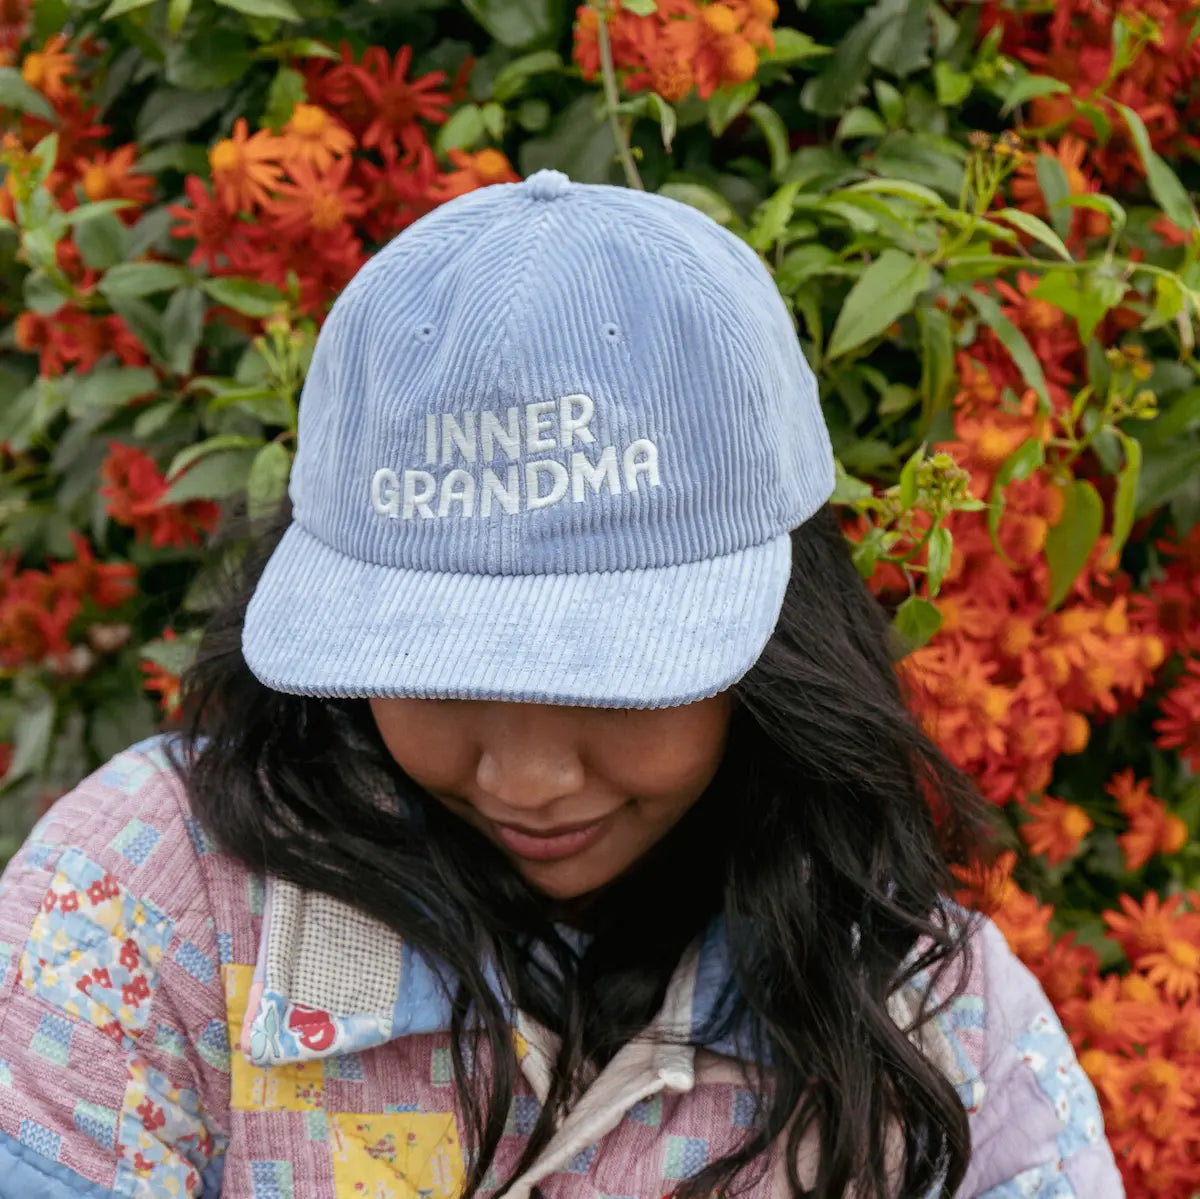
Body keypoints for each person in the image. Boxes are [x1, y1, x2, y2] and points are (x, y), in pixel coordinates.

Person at [0, 169, 1123, 1199]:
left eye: (618, 684)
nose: (529, 778)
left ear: (779, 650)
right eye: (434, 670)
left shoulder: (926, 1014)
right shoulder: (141, 914)